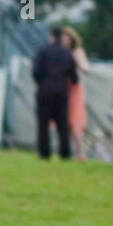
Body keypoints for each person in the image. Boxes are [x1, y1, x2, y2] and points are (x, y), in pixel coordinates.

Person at [32, 27, 78, 159]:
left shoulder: (43, 51)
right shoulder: (67, 53)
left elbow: (36, 71)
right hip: (62, 91)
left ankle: (44, 152)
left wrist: (41, 83)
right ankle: (65, 152)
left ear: (51, 36)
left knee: (43, 123)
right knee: (62, 123)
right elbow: (74, 76)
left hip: (45, 91)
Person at [61, 25, 90, 161]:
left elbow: (85, 67)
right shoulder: (59, 51)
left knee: (76, 123)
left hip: (74, 90)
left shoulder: (77, 52)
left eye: (67, 37)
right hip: (61, 89)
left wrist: (73, 61)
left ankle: (81, 153)